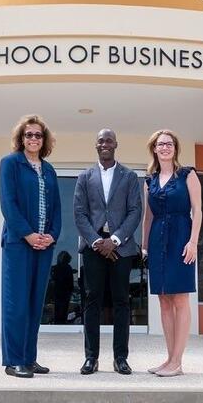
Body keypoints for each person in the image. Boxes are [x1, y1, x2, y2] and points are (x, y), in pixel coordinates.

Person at [74, 129, 142, 375]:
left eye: (109, 140)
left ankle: (120, 358)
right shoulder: (84, 176)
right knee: (92, 301)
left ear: (116, 144)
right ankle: (91, 358)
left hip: (121, 248)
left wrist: (114, 240)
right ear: (96, 145)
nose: (105, 144)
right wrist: (97, 241)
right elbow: (79, 214)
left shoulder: (130, 176)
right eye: (101, 140)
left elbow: (135, 211)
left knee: (121, 302)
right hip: (93, 248)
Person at [0, 114, 61, 378]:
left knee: (35, 303)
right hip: (18, 244)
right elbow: (8, 204)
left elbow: (57, 209)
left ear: (44, 140)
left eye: (38, 135)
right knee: (16, 303)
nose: (33, 139)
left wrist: (51, 236)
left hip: (43, 246)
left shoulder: (49, 169)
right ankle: (13, 361)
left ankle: (29, 358)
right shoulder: (10, 163)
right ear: (21, 139)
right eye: (28, 135)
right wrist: (27, 234)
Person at [141, 129, 202, 377]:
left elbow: (197, 210)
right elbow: (148, 216)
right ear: (154, 149)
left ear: (175, 148)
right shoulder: (149, 181)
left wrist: (193, 242)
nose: (165, 147)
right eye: (160, 144)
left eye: (169, 143)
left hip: (181, 238)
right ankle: (169, 360)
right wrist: (144, 245)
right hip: (157, 241)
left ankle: (177, 362)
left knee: (180, 298)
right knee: (164, 300)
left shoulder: (188, 175)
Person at [51, 251, 75, 324]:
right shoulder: (68, 268)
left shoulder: (55, 268)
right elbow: (71, 282)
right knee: (63, 309)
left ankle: (58, 322)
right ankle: (62, 322)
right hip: (65, 293)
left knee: (58, 309)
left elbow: (53, 279)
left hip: (58, 292)